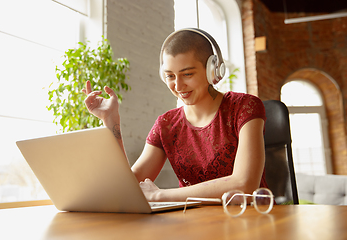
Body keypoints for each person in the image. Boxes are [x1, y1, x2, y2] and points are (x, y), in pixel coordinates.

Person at [82, 28, 268, 202]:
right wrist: (111, 120)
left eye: (187, 74)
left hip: (247, 221)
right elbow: (129, 186)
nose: (178, 87)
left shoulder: (244, 107)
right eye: (170, 76)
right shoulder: (167, 124)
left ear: (213, 71)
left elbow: (244, 185)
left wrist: (160, 195)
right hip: (192, 226)